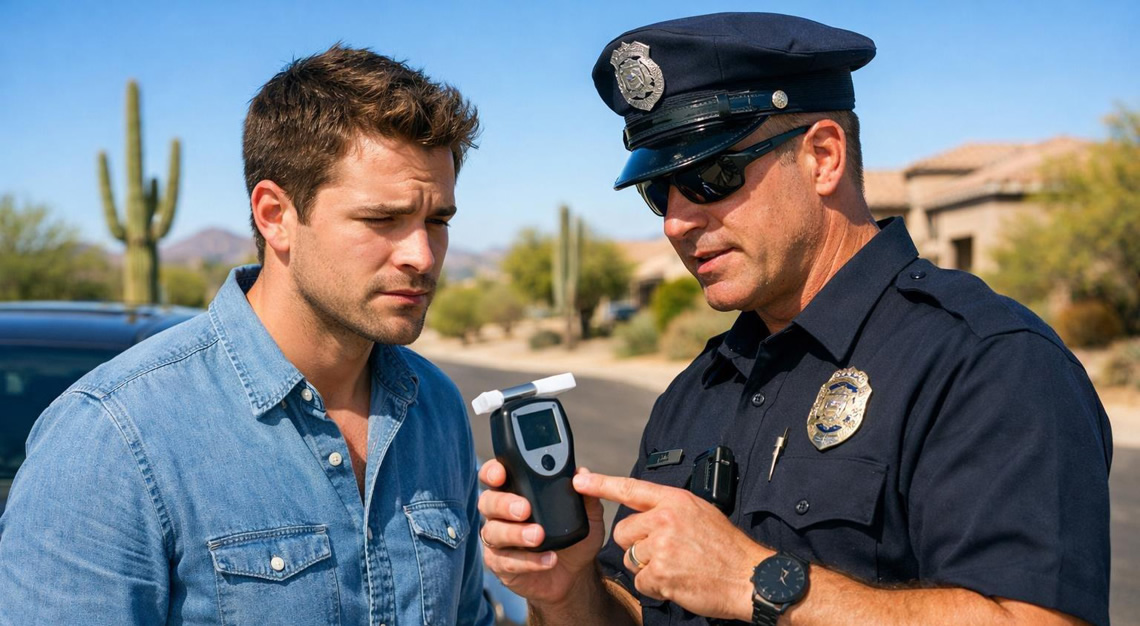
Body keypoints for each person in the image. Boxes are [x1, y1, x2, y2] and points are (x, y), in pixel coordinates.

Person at [478, 12, 1112, 626]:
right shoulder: (696, 389)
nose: (675, 221)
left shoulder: (988, 363)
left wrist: (757, 582)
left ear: (824, 157)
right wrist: (566, 592)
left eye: (710, 176)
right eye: (659, 192)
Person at [0, 45, 492, 625]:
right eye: (382, 219)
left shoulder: (435, 407)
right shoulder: (112, 438)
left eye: (438, 221)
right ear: (275, 215)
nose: (422, 255)